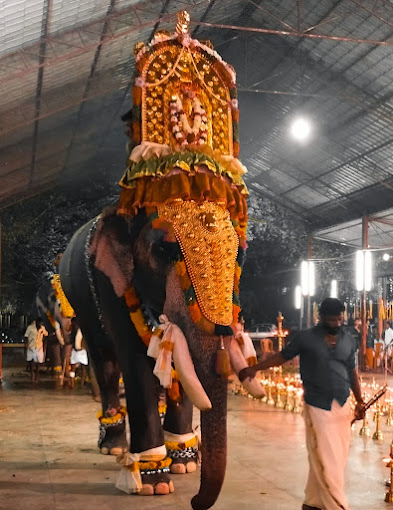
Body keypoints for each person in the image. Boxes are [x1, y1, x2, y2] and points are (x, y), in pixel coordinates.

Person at [239, 298, 365, 510]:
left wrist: (360, 400)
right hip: (317, 405)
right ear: (321, 317)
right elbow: (282, 356)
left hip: (342, 406)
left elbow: (352, 372)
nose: (336, 323)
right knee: (325, 455)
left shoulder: (349, 339)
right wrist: (256, 368)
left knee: (335, 457)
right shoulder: (306, 338)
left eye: (339, 319)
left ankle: (313, 502)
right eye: (331, 319)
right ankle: (337, 505)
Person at [24, 317, 48, 384]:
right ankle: (32, 375)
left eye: (41, 323)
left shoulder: (42, 328)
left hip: (39, 347)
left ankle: (36, 376)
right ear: (36, 322)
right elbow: (26, 336)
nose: (40, 324)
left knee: (38, 362)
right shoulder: (30, 328)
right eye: (39, 323)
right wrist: (26, 345)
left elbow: (46, 335)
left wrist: (44, 346)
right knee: (31, 362)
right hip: (31, 346)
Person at [69, 317, 88, 388]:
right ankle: (81, 383)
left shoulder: (73, 330)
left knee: (73, 368)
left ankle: (73, 383)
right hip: (81, 351)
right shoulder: (79, 329)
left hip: (76, 351)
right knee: (83, 369)